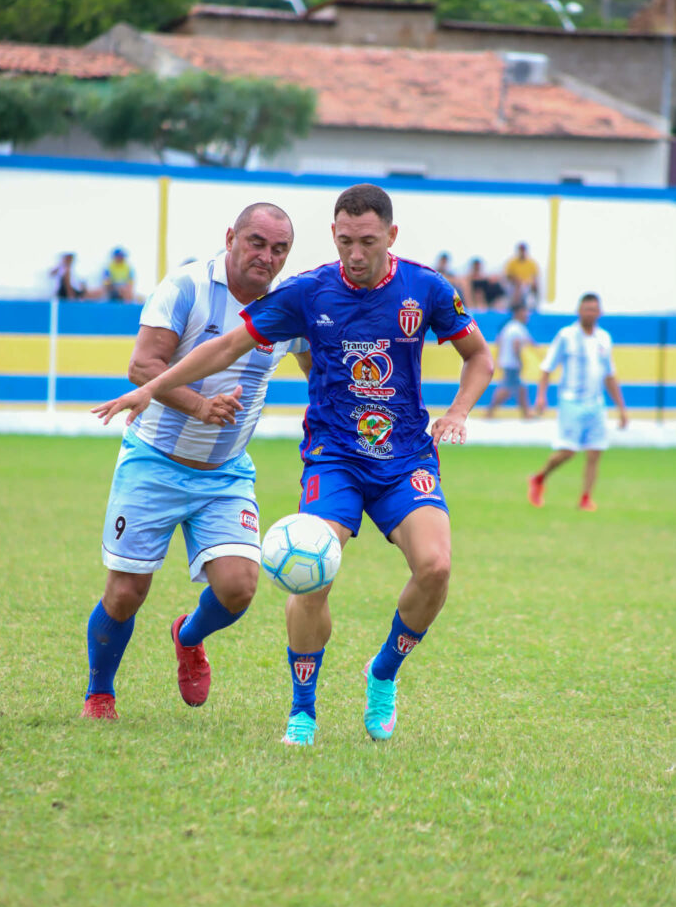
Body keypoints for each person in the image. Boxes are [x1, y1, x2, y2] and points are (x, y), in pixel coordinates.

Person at [94, 184, 494, 745]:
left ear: (392, 236)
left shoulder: (426, 287)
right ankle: (302, 712)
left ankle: (383, 672)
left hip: (405, 458)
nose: (355, 253)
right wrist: (150, 389)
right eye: (345, 240)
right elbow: (226, 347)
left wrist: (457, 412)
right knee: (312, 568)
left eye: (368, 241)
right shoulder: (307, 292)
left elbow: (479, 357)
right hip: (334, 458)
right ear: (333, 235)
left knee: (436, 568)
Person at [81, 203, 310, 720]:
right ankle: (100, 693)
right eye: (256, 242)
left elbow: (317, 370)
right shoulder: (186, 287)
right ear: (230, 237)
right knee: (126, 592)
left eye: (279, 249)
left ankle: (187, 636)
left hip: (226, 473)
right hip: (154, 462)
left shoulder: (287, 306)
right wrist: (200, 407)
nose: (266, 256)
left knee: (239, 588)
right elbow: (143, 366)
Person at [528, 293, 628, 512]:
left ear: (600, 312)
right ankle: (539, 478)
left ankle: (585, 498)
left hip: (596, 403)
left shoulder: (604, 339)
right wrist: (541, 396)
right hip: (571, 401)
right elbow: (547, 367)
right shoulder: (566, 336)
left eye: (594, 309)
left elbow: (609, 375)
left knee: (595, 452)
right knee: (568, 451)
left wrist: (621, 408)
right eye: (586, 309)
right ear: (579, 311)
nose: (590, 313)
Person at [486, 304, 535, 418]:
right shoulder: (518, 328)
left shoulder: (508, 326)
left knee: (520, 388)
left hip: (506, 361)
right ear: (518, 313)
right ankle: (490, 411)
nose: (527, 315)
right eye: (525, 312)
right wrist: (519, 360)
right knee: (507, 388)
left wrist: (499, 358)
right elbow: (516, 345)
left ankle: (526, 412)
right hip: (512, 363)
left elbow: (499, 341)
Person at [504, 241, 539, 309]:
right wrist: (516, 280)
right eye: (521, 250)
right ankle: (515, 306)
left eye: (523, 250)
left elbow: (534, 277)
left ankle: (532, 307)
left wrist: (530, 283)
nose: (522, 252)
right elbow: (508, 276)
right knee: (518, 286)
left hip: (527, 285)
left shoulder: (531, 263)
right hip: (514, 284)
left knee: (532, 288)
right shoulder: (512, 262)